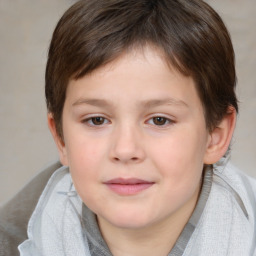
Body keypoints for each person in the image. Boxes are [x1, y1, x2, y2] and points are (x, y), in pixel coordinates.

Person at [0, 0, 255, 255]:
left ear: (215, 136)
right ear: (61, 138)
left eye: (159, 120)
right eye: (97, 120)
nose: (125, 149)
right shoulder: (13, 244)